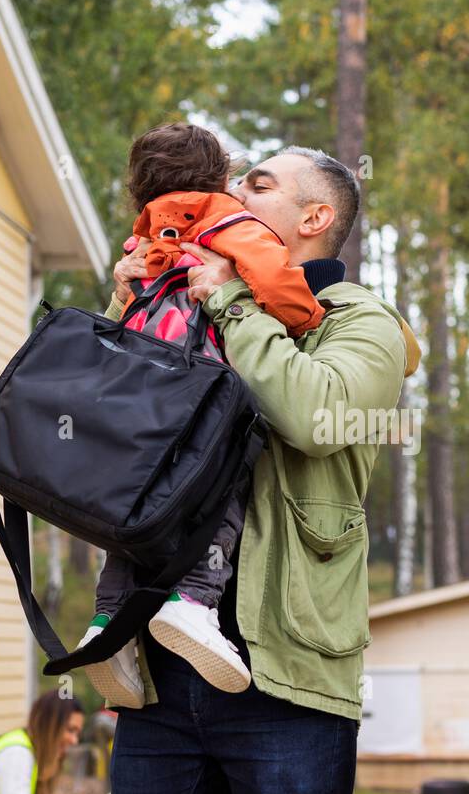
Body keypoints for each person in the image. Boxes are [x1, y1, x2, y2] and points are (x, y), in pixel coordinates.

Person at [102, 145, 421, 794]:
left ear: (315, 217)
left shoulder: (365, 325)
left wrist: (232, 299)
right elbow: (110, 431)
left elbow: (315, 415)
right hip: (167, 665)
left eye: (259, 182)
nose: (233, 191)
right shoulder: (190, 293)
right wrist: (124, 307)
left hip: (291, 680)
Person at [77, 122, 333, 704]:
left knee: (135, 508)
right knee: (223, 492)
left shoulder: (143, 240)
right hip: (201, 393)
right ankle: (192, 603)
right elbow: (276, 280)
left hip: (137, 394)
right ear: (219, 178)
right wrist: (303, 320)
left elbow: (122, 317)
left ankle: (107, 623)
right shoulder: (230, 225)